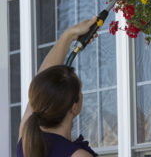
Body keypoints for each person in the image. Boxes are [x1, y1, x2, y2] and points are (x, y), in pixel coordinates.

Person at [17, 16, 98, 157]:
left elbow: (43, 81)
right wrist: (68, 35)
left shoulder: (26, 145)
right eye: (80, 91)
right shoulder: (77, 156)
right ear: (74, 107)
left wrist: (69, 36)